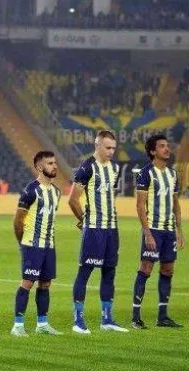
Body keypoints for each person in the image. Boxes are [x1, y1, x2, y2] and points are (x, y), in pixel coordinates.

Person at [68, 130, 128, 334]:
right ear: (97, 145)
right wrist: (84, 221)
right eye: (108, 147)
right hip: (94, 228)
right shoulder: (87, 167)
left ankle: (107, 319)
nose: (111, 151)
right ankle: (78, 320)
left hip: (112, 228)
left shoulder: (114, 168)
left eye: (113, 148)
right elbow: (73, 200)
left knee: (109, 272)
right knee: (85, 271)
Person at [131, 133, 184, 329]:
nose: (167, 149)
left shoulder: (173, 174)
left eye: (167, 145)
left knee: (168, 269)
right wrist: (147, 233)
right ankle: (136, 317)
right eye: (162, 146)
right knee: (146, 269)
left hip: (169, 231)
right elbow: (140, 205)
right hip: (153, 229)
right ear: (153, 151)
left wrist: (179, 230)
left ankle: (163, 316)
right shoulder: (146, 173)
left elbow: (176, 204)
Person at [11, 151, 63, 337]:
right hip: (32, 244)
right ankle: (18, 326)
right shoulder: (30, 190)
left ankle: (42, 324)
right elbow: (18, 221)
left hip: (49, 245)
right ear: (40, 167)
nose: (54, 166)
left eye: (54, 162)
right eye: (50, 163)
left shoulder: (56, 192)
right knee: (28, 282)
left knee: (46, 283)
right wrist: (23, 243)